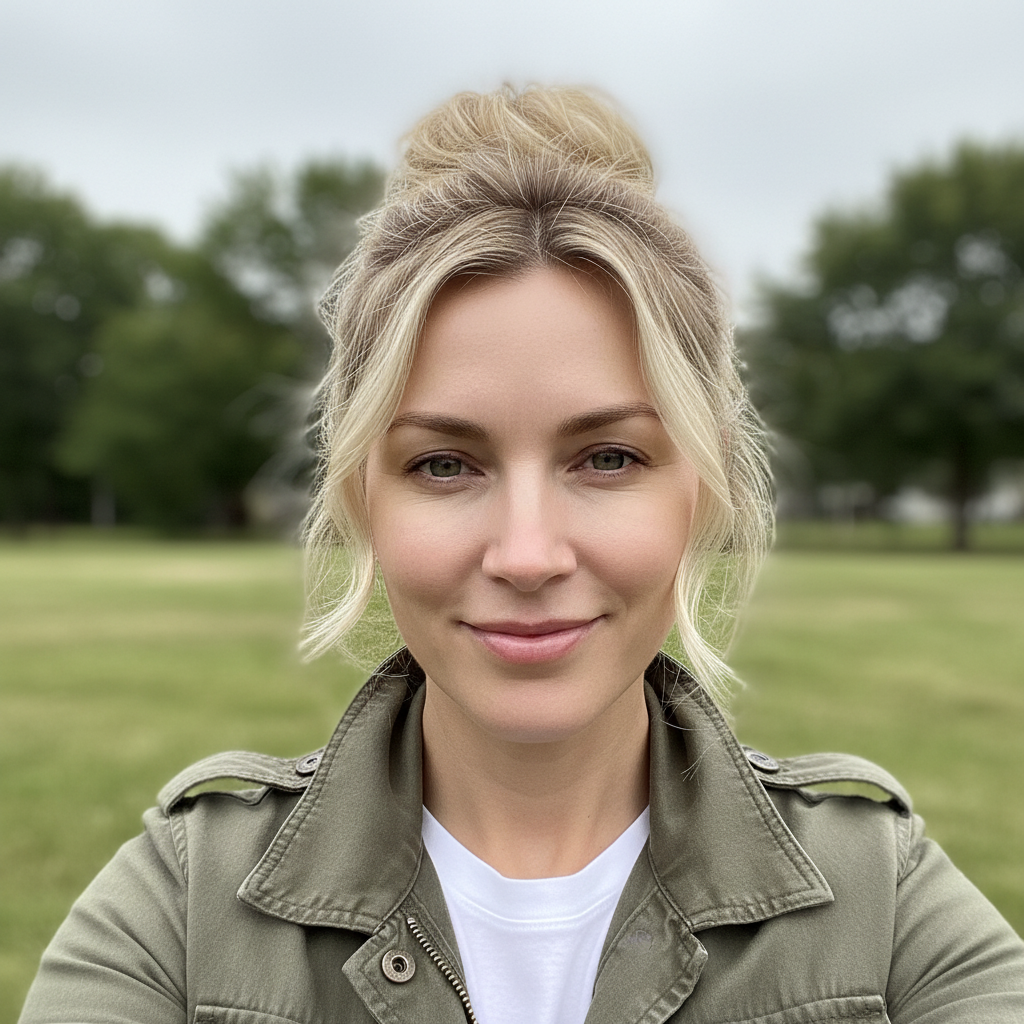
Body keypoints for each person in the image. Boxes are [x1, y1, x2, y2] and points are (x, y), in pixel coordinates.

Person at [19, 86, 1024, 1024]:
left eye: (609, 456)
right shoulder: (188, 897)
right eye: (447, 464)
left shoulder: (876, 899)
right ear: (362, 496)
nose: (529, 553)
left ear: (702, 488)